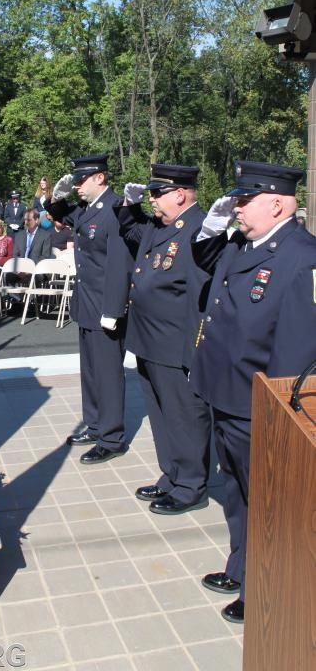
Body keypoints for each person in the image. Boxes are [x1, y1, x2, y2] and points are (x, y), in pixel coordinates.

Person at [189, 160, 316, 625]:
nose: (237, 208)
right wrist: (218, 222)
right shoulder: (241, 243)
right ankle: (241, 566)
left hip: (259, 402)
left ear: (278, 203)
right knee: (238, 491)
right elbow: (201, 260)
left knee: (268, 501)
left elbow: (298, 351)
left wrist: (278, 414)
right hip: (224, 392)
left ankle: (266, 583)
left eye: (246, 200)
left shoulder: (303, 256)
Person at [117, 165, 212, 515]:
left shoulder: (200, 230)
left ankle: (190, 485)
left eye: (157, 194)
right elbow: (129, 228)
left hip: (175, 343)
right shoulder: (162, 226)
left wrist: (194, 349)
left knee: (183, 414)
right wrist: (129, 205)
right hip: (149, 339)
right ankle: (171, 475)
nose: (152, 200)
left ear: (181, 194)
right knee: (160, 412)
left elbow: (201, 298)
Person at [45, 154, 133, 464]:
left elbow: (120, 264)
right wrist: (55, 196)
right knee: (91, 371)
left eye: (82, 180)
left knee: (108, 374)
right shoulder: (88, 209)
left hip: (106, 306)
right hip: (87, 303)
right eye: (76, 180)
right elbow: (60, 214)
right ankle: (94, 424)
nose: (77, 185)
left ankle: (112, 437)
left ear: (100, 178)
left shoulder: (117, 210)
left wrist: (114, 308)